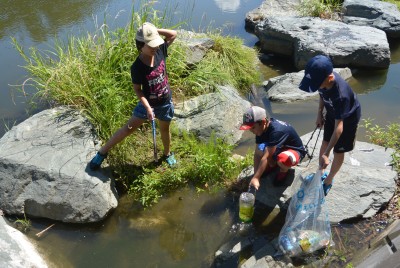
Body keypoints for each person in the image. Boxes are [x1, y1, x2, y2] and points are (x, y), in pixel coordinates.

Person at [89, 22, 178, 170]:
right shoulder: (137, 67)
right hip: (147, 106)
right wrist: (148, 108)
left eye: (156, 43)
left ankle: (167, 153)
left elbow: (173, 34)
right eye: (151, 45)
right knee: (128, 128)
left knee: (164, 129)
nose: (155, 47)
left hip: (165, 102)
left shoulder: (160, 50)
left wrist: (154, 31)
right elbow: (138, 89)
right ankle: (102, 152)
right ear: (140, 46)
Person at [299, 54, 361, 196]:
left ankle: (329, 179)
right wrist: (320, 112)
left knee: (338, 150)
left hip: (347, 119)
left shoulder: (341, 95)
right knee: (325, 141)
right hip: (333, 112)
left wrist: (327, 153)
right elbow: (321, 94)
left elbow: (339, 128)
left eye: (317, 84)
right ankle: (320, 172)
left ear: (330, 78)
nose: (316, 87)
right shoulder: (322, 81)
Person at [240, 106, 306, 190]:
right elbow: (257, 153)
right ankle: (273, 164)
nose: (251, 131)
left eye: (253, 127)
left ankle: (283, 170)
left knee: (283, 160)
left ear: (263, 122)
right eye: (250, 128)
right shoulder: (260, 130)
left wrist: (256, 178)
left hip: (293, 150)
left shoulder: (276, 130)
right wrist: (256, 174)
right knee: (260, 150)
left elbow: (266, 157)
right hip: (279, 147)